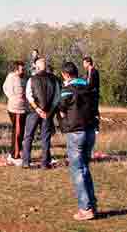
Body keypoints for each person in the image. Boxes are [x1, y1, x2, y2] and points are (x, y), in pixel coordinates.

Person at [59, 61, 98, 221]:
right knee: (85, 169)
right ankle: (91, 205)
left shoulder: (67, 90)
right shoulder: (89, 87)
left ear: (66, 75)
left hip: (75, 133)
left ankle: (85, 208)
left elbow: (61, 110)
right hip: (90, 132)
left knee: (77, 170)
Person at [22, 58, 60, 169]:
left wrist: (37, 109)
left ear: (37, 67)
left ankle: (26, 162)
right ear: (46, 67)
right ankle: (44, 163)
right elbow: (57, 98)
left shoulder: (32, 79)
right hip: (48, 112)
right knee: (45, 138)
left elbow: (29, 96)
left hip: (33, 112)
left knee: (29, 136)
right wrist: (49, 111)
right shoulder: (54, 80)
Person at [2, 61, 27, 166]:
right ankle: (15, 156)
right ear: (16, 70)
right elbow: (5, 88)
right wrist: (13, 98)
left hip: (22, 108)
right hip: (16, 109)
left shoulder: (23, 78)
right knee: (17, 132)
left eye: (23, 69)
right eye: (21, 69)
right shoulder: (11, 77)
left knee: (19, 132)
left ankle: (14, 152)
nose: (23, 71)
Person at [83, 57, 101, 132]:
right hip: (89, 95)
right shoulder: (88, 71)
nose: (83, 64)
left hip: (94, 95)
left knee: (95, 111)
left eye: (84, 63)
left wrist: (86, 88)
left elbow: (92, 84)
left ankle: (96, 128)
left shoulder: (94, 71)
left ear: (88, 63)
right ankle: (91, 127)